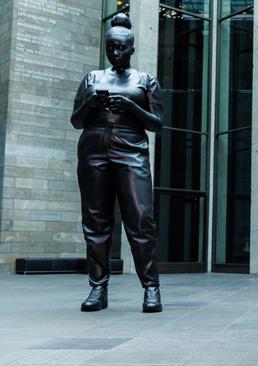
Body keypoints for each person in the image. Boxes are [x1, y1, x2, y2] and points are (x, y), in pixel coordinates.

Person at [70, 13, 163, 313]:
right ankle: (98, 288)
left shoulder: (145, 80)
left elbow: (157, 124)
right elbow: (76, 121)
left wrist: (131, 106)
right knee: (96, 222)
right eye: (111, 48)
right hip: (93, 150)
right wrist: (91, 103)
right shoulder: (92, 78)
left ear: (132, 48)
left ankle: (151, 288)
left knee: (140, 220)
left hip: (131, 149)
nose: (115, 53)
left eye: (121, 48)